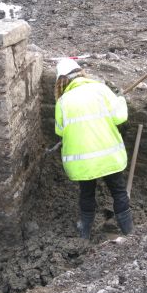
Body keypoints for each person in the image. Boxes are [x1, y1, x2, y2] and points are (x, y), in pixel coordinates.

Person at [54, 58, 133, 239]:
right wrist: (119, 100)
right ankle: (129, 234)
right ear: (81, 73)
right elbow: (120, 117)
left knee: (87, 193)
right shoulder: (101, 90)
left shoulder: (63, 102)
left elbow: (59, 130)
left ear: (62, 81)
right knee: (119, 191)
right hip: (108, 156)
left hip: (83, 162)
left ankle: (84, 234)